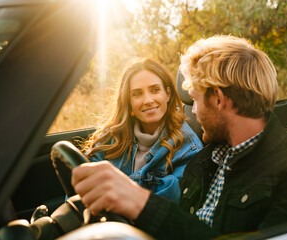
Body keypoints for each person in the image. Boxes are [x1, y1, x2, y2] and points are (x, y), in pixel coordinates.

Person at [72, 35, 287, 239]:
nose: (194, 112)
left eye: (196, 101)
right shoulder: (206, 159)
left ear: (219, 99)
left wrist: (141, 202)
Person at [82, 58, 203, 203]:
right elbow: (82, 181)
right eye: (137, 94)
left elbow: (162, 205)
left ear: (168, 94)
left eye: (155, 90)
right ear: (129, 101)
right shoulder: (112, 136)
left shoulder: (188, 148)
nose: (148, 100)